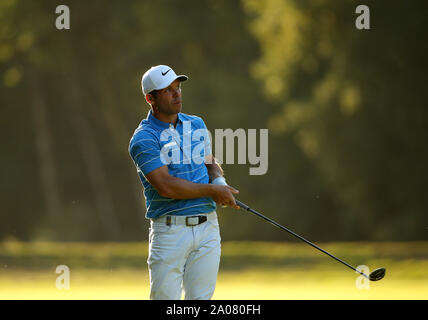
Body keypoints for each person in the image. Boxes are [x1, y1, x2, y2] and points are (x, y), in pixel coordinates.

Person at [129, 65, 240, 300]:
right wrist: (213, 190)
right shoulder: (144, 138)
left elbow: (209, 163)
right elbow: (166, 185)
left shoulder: (196, 124)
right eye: (168, 90)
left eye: (177, 87)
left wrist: (220, 183)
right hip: (170, 232)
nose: (177, 93)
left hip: (208, 228)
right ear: (151, 99)